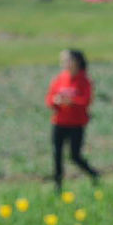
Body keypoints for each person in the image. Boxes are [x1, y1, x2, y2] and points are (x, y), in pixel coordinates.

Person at [46, 49, 100, 191]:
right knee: (57, 154)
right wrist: (56, 101)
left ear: (76, 61)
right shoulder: (59, 79)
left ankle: (94, 175)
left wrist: (72, 101)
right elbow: (49, 100)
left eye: (66, 60)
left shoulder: (84, 80)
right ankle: (58, 185)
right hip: (59, 122)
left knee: (74, 156)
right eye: (62, 60)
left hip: (77, 123)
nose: (63, 63)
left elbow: (86, 101)